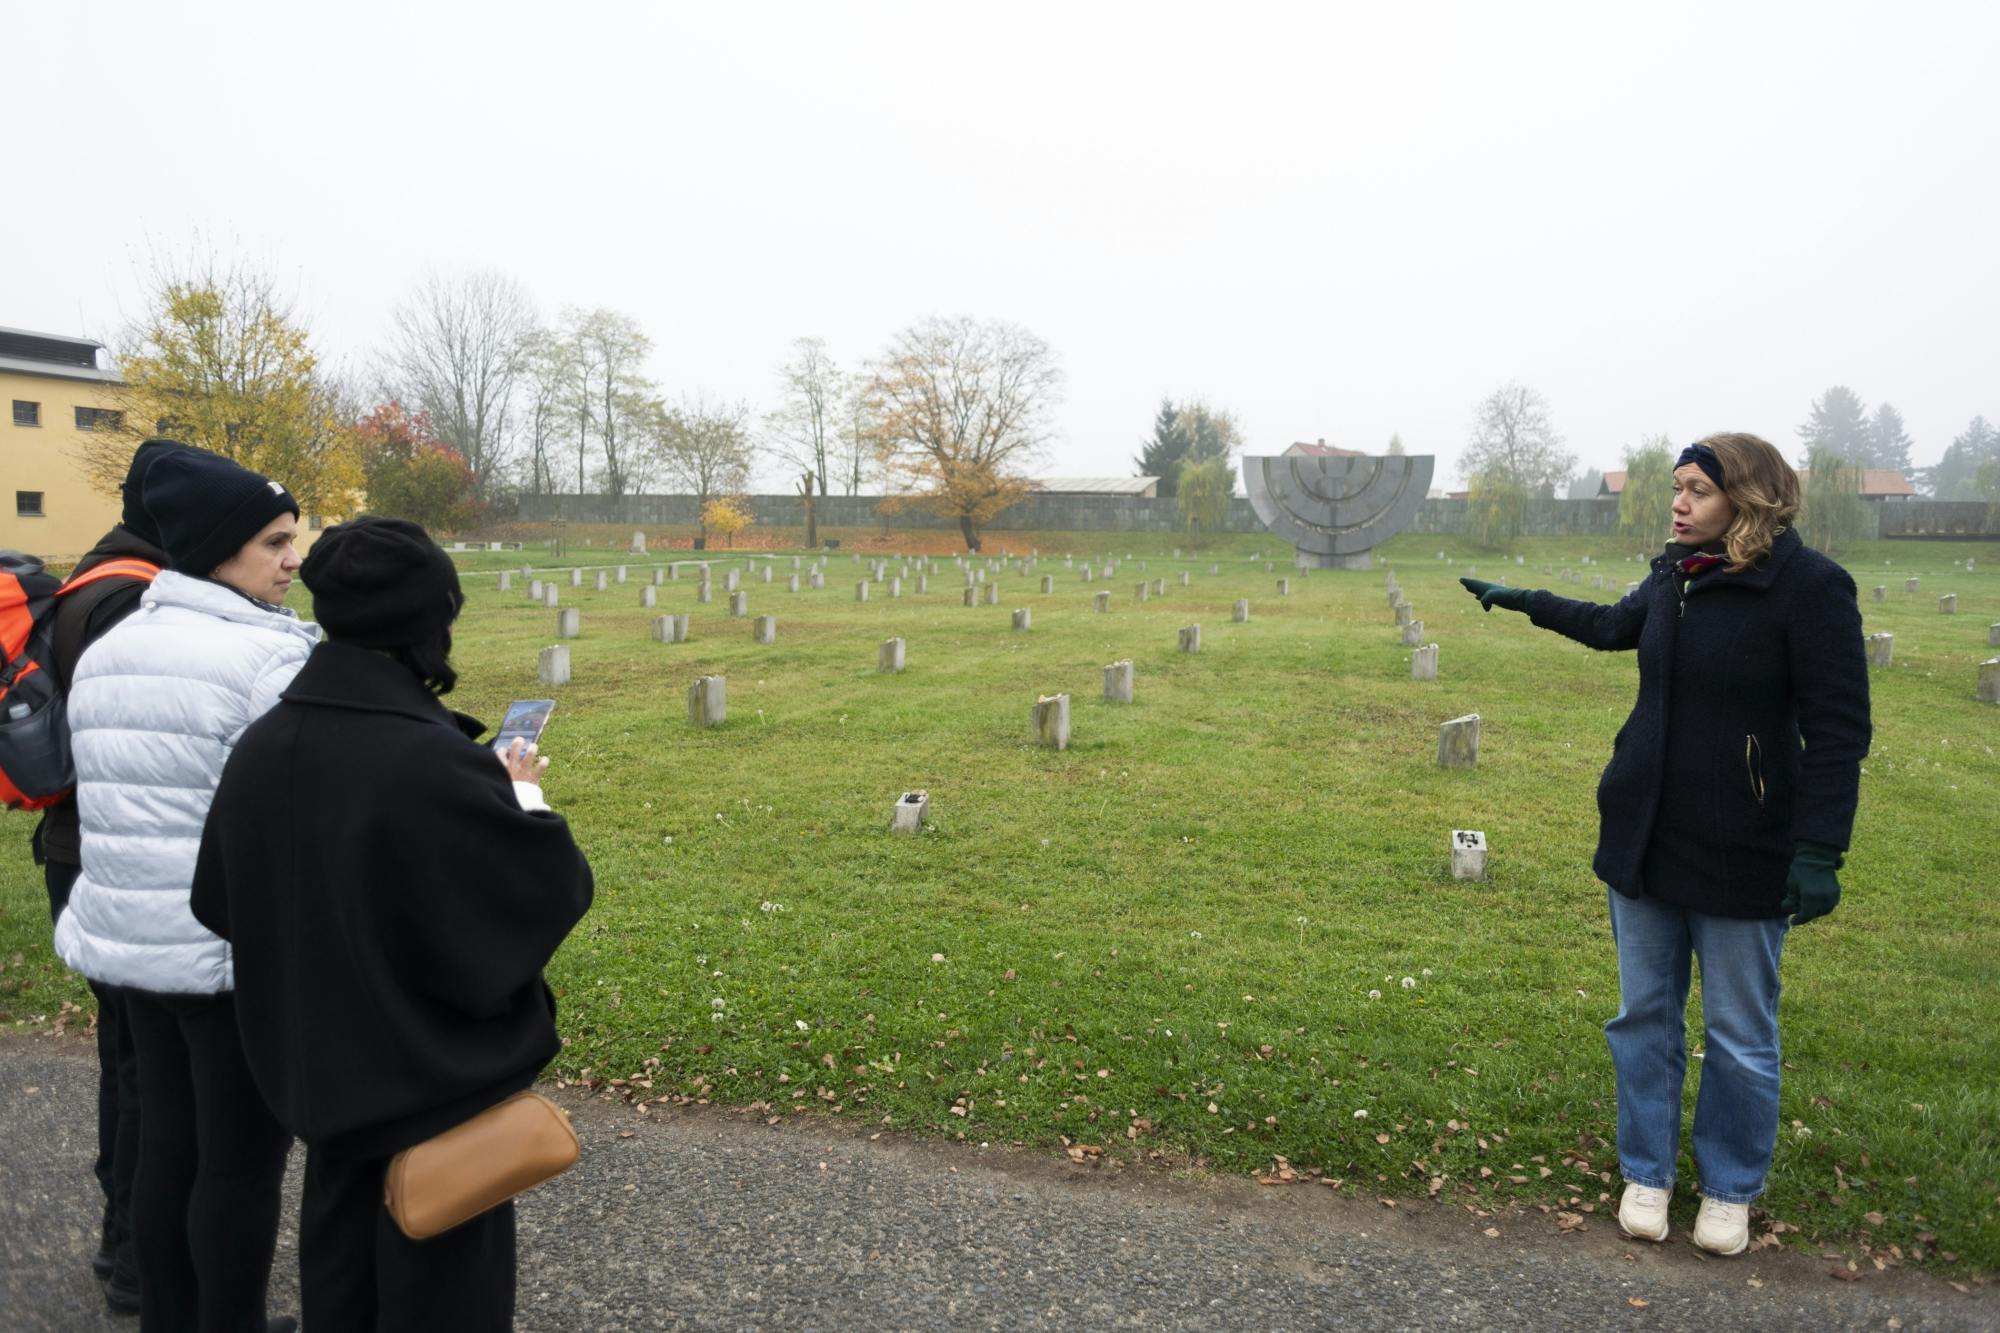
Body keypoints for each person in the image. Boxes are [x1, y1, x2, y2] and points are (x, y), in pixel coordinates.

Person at [1458, 432, 1870, 1256]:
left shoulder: (1809, 587)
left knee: (1740, 1033)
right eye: (1676, 488)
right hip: (1646, 837)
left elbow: (1837, 729)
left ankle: (1729, 1188)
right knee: (1644, 1016)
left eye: (1696, 490)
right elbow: (1615, 626)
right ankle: (1646, 1171)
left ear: (1747, 499)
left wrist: (1820, 848)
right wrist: (1526, 597)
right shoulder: (1676, 577)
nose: (1678, 503)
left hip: (1747, 847)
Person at [189, 516, 593, 1331]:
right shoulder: (433, 761)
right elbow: (546, 888)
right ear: (429, 624)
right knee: (443, 1299)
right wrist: (518, 798)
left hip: (323, 1089)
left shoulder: (266, 744)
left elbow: (218, 900)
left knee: (339, 1290)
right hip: (432, 1101)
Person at [53, 447, 316, 1331]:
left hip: (134, 942)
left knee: (167, 1142)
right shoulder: (261, 659)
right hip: (222, 950)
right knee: (239, 1164)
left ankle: (171, 1316)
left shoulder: (116, 646)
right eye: (275, 542)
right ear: (215, 548)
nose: (294, 560)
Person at [30, 438, 185, 1314]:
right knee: (144, 1060)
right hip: (107, 848)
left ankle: (123, 1234)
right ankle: (134, 1244)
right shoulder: (128, 596)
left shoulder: (95, 579)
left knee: (128, 1049)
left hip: (79, 844)